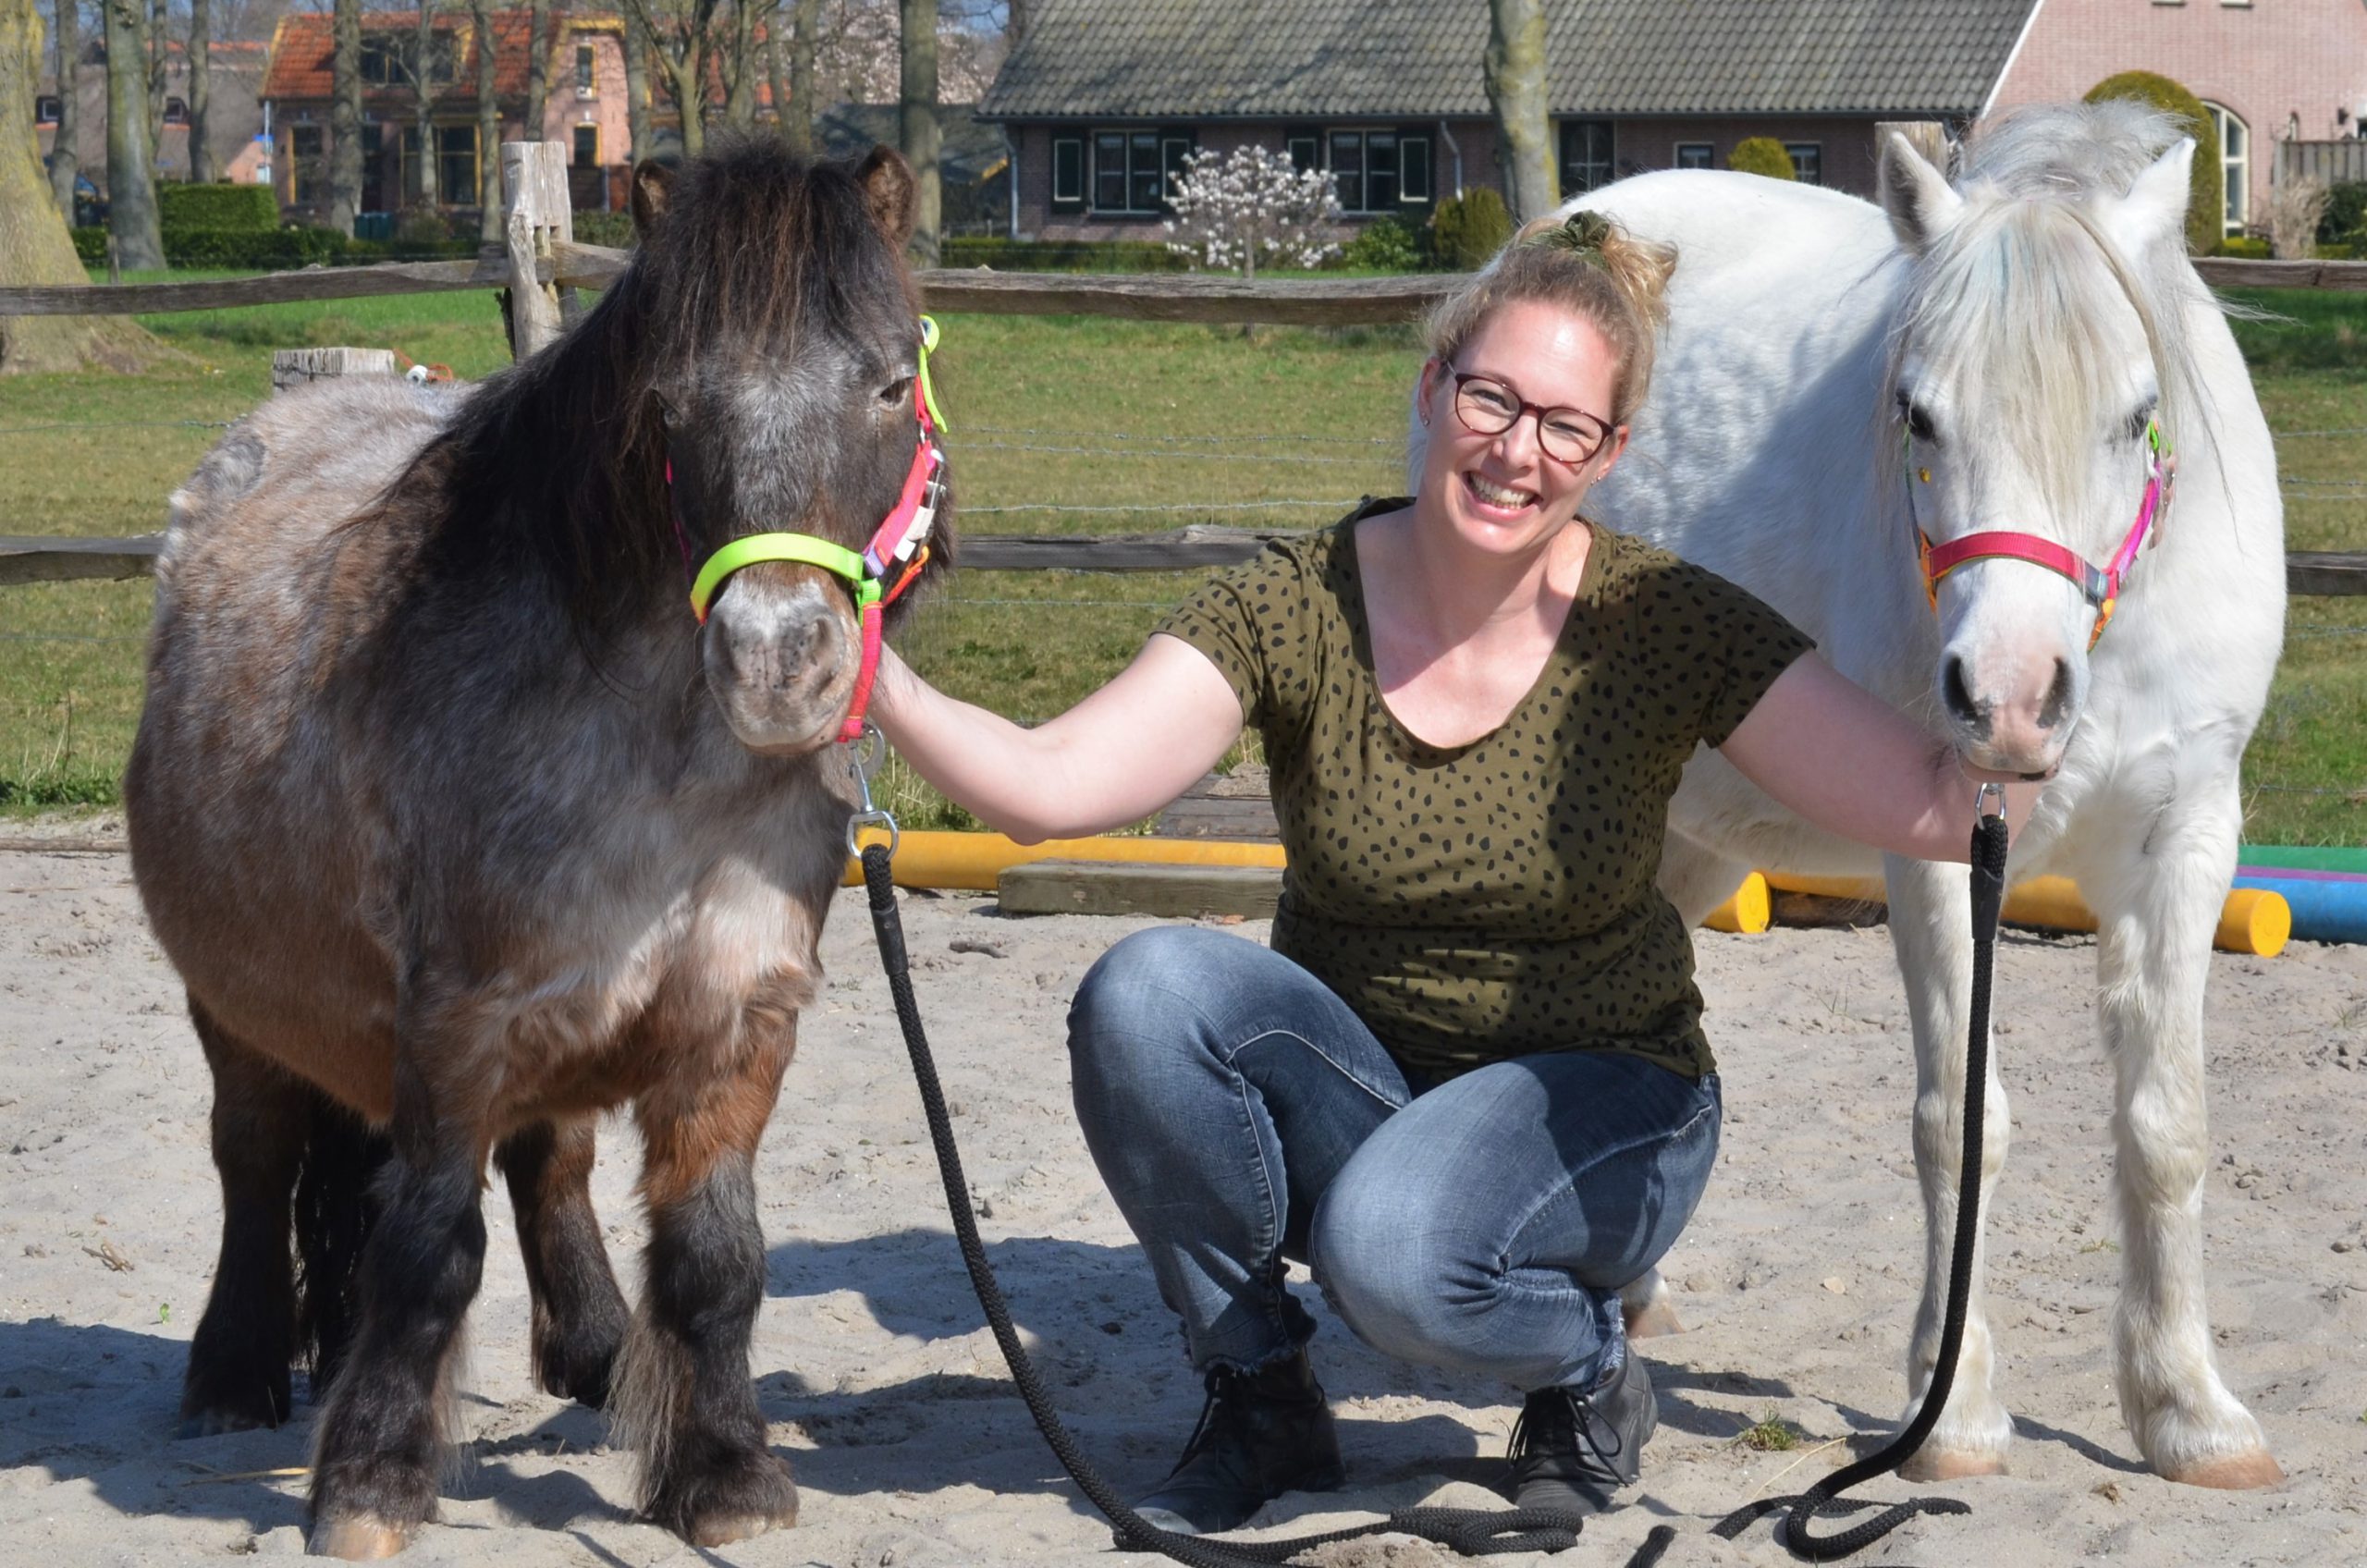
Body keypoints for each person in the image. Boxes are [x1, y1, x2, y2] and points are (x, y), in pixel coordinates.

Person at [869, 211, 2036, 1535]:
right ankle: (1260, 1393)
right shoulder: (1296, 604)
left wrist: (2041, 627)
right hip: (1369, 1092)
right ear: (1433, 390)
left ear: (1611, 455)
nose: (1516, 450)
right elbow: (1052, 784)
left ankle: (1589, 1369)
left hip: (1603, 1109)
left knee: (1395, 1256)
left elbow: (1942, 805)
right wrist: (869, 675)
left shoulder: (1662, 620)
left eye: (1564, 426)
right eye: (1491, 398)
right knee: (1144, 995)